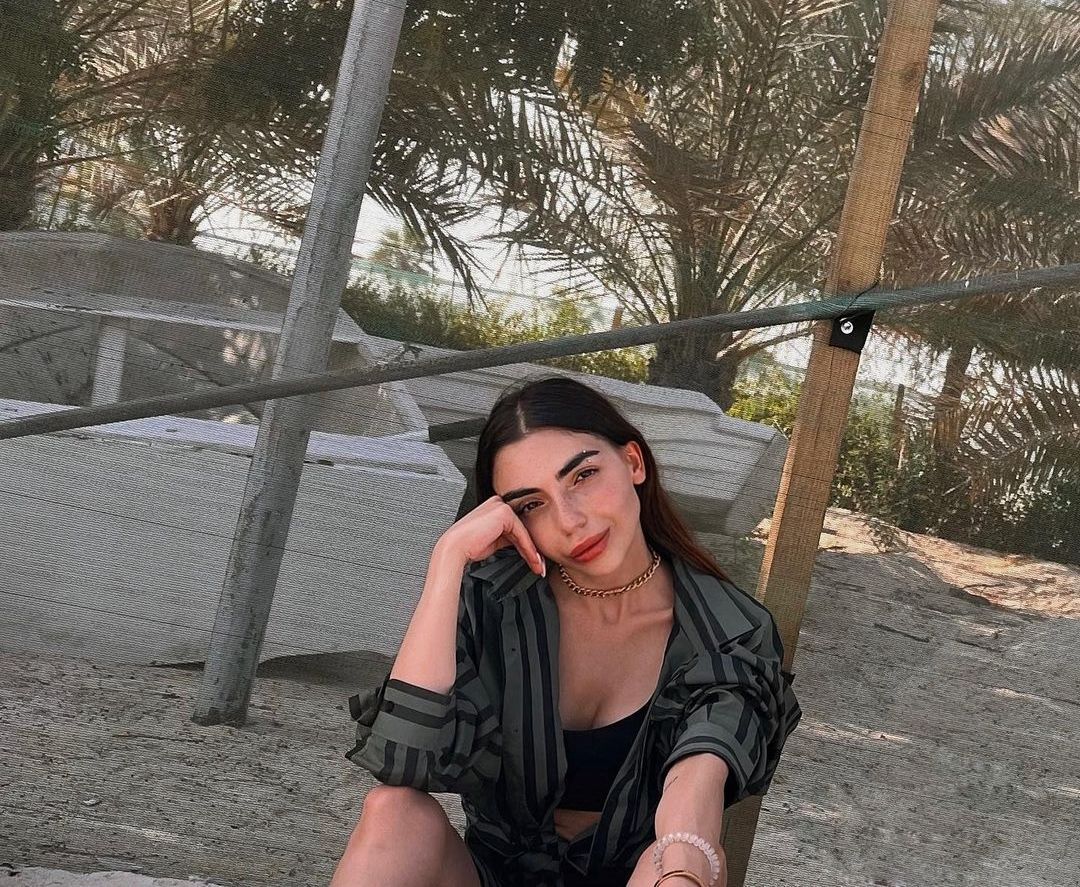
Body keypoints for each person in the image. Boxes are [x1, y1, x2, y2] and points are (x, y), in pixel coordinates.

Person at [330, 375, 801, 887]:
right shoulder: (496, 602)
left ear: (633, 462)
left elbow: (698, 778)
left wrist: (684, 867)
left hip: (645, 880)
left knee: (677, 860)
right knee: (392, 812)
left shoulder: (727, 630)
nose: (570, 520)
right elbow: (402, 760)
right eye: (532, 504)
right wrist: (447, 562)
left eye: (583, 475)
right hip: (492, 877)